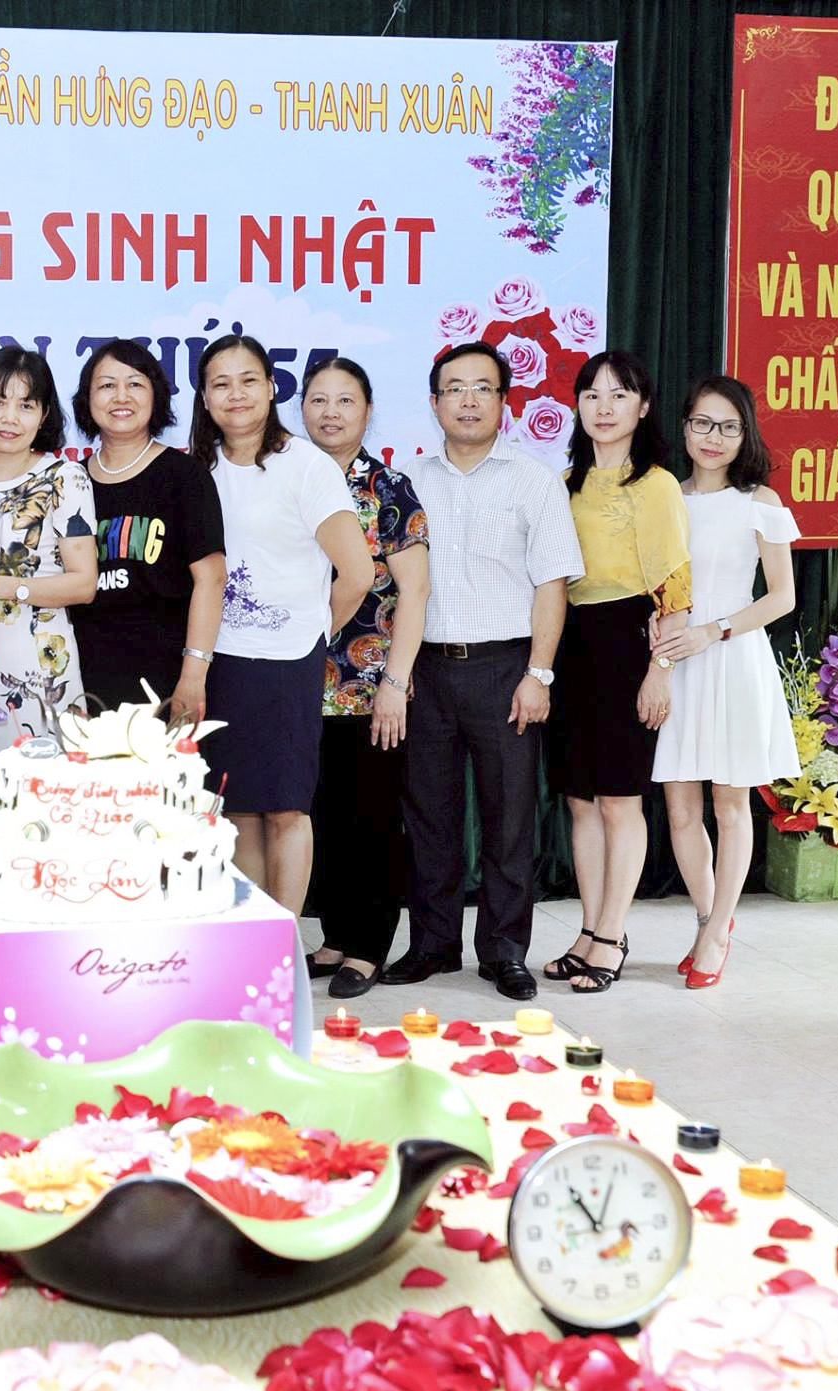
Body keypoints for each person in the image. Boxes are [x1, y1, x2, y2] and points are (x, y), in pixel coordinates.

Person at [387, 341, 584, 1002]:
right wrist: (398, 671)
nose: (467, 401)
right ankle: (432, 944)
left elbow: (552, 584)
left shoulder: (534, 480)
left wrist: (539, 673)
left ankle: (504, 951)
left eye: (482, 388)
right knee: (429, 816)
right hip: (427, 671)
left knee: (509, 820)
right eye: (454, 388)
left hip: (506, 668)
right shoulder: (408, 480)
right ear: (435, 402)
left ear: (504, 401)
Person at [189, 335, 372, 922]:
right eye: (221, 384)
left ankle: (284, 942)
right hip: (220, 661)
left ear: (272, 388)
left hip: (288, 663)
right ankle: (253, 936)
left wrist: (310, 634)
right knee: (238, 807)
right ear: (204, 397)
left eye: (249, 380)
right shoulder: (197, 469)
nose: (236, 394)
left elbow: (357, 573)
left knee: (287, 809)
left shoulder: (306, 465)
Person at [543, 351, 692, 995]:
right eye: (592, 395)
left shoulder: (655, 484)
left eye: (619, 395)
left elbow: (675, 585)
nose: (603, 408)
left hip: (629, 642)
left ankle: (612, 935)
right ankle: (588, 930)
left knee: (619, 800)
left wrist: (660, 669)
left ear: (643, 406)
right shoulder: (566, 481)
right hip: (572, 644)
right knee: (581, 799)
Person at [651, 376, 799, 988]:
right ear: (684, 426)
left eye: (729, 427)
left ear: (746, 434)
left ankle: (716, 935)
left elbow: (783, 597)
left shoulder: (759, 500)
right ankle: (708, 918)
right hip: (675, 663)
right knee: (681, 808)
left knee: (730, 804)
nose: (714, 437)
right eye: (703, 423)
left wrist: (714, 631)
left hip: (733, 658)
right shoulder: (663, 497)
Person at [299, 358, 431, 999]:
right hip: (297, 682)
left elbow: (416, 592)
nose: (330, 412)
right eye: (318, 400)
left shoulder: (388, 488)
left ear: (368, 410)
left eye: (344, 400)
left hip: (368, 685)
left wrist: (396, 684)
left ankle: (369, 947)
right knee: (319, 815)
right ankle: (335, 936)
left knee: (371, 818)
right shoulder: (291, 477)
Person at [68, 339, 226, 726]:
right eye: (107, 385)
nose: (121, 396)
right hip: (83, 678)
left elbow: (211, 579)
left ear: (156, 396)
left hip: (165, 677)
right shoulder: (71, 481)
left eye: (135, 384)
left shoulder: (184, 476)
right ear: (87, 399)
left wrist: (193, 676)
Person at [0, 346, 96, 741]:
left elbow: (84, 584)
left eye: (26, 405)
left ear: (44, 414)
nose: (10, 418)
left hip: (40, 667)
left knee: (41, 778)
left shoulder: (63, 478)